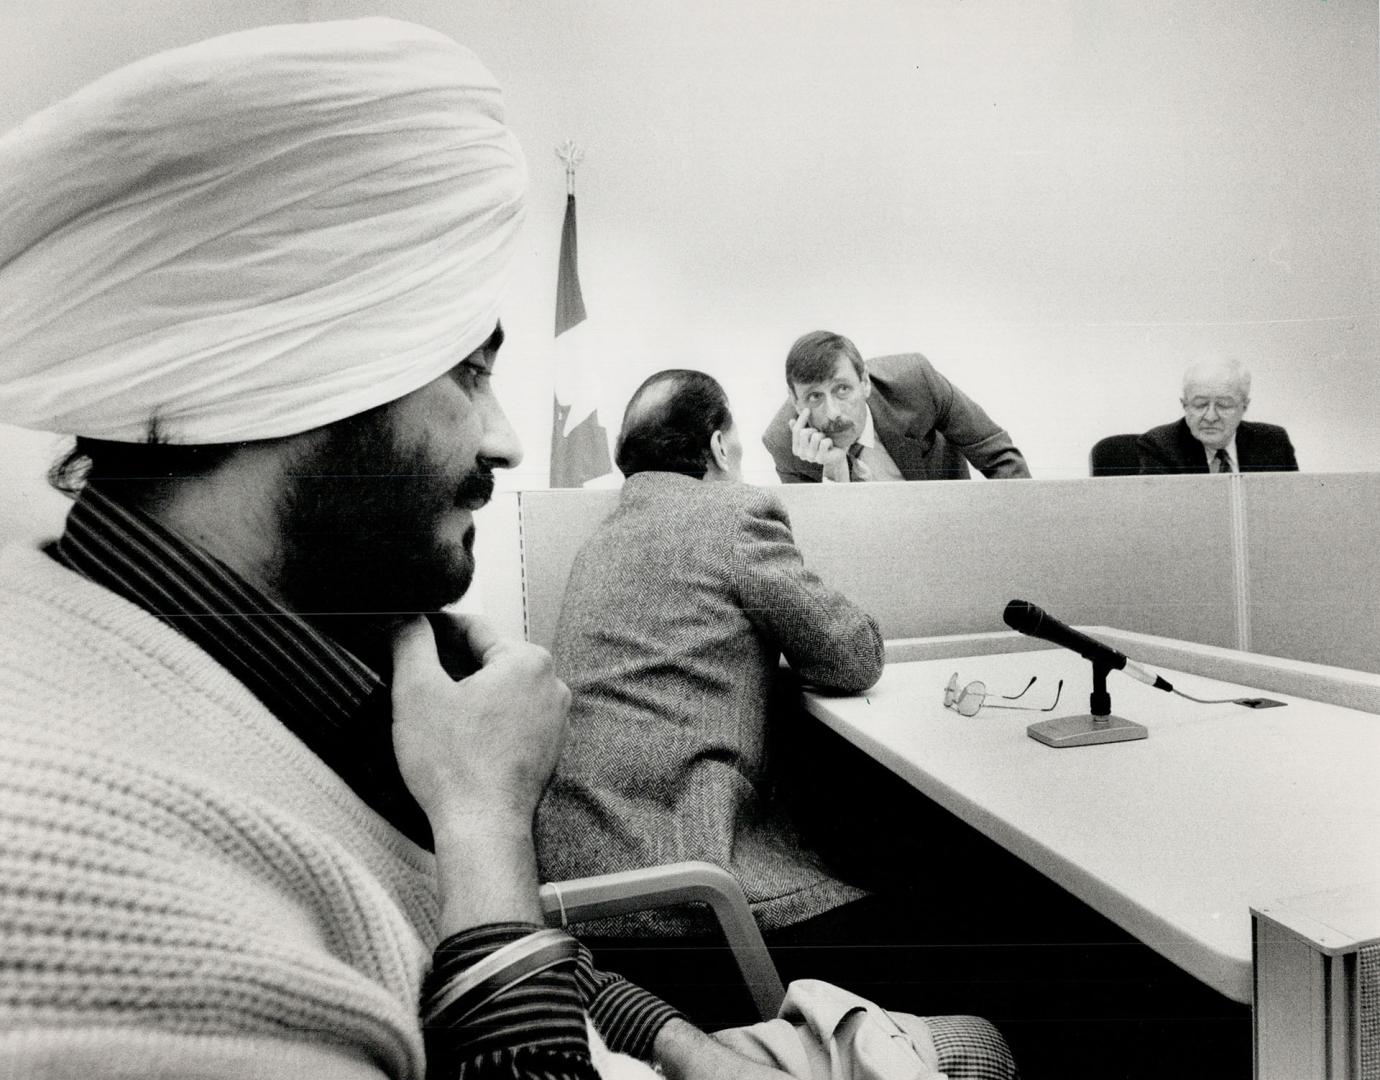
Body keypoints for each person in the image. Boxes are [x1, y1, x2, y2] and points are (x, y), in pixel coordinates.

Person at [0, 20, 817, 1080]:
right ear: (288, 387)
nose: (509, 441)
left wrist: (674, 1038)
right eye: (468, 375)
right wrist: (484, 821)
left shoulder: (253, 638)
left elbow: (417, 927)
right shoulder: (90, 903)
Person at [536, 372, 1020, 1078]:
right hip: (693, 900)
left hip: (594, 899)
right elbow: (852, 655)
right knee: (968, 931)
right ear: (718, 442)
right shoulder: (729, 514)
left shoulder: (601, 543)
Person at [760, 331, 1031, 483]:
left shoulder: (914, 382)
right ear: (795, 401)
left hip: (948, 527)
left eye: (842, 389)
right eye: (814, 397)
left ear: (864, 382)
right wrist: (833, 469)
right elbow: (823, 548)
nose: (832, 412)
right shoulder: (784, 444)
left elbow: (1000, 457)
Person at [1137, 356, 1298, 474]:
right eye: (1200, 405)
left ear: (1244, 407)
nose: (1211, 417)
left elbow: (1291, 510)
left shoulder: (1274, 442)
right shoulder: (1159, 446)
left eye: (1223, 405)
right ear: (1185, 405)